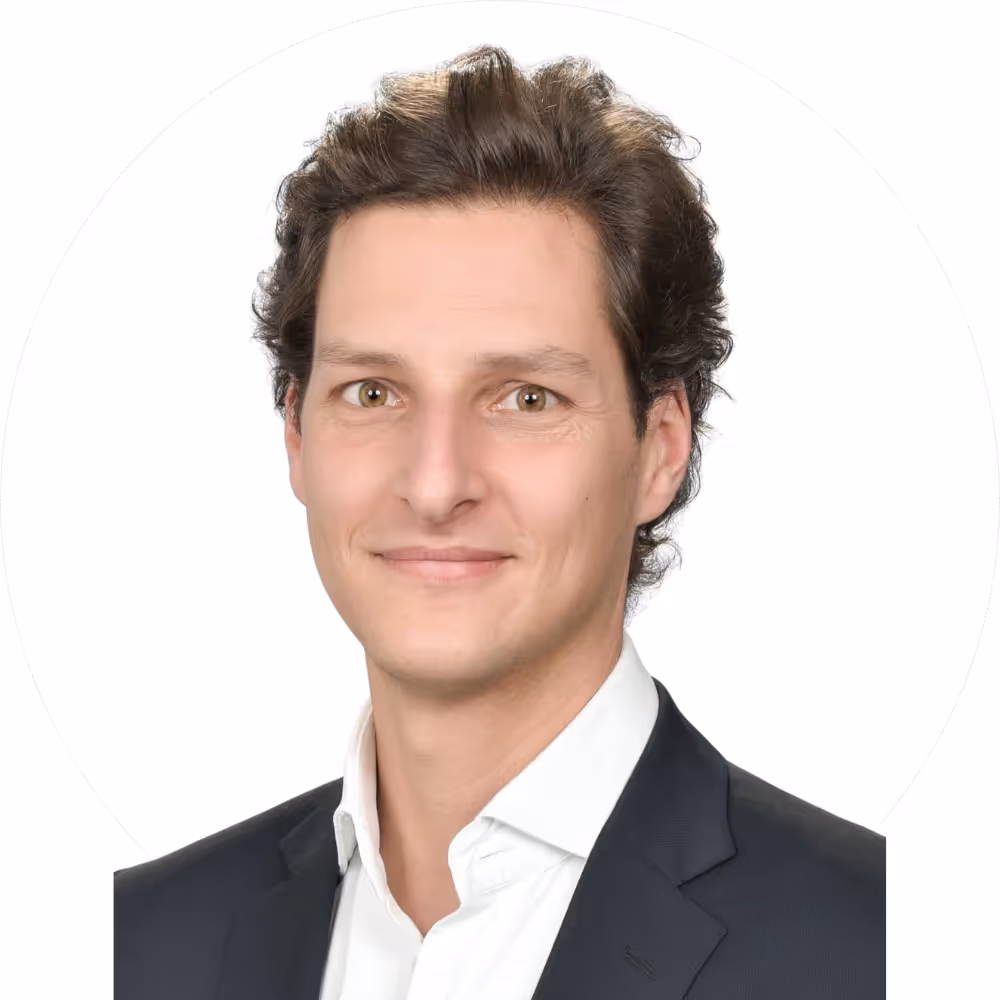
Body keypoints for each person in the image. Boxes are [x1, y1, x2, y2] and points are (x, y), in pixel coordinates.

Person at [113, 43, 884, 1000]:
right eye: (372, 391)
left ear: (660, 447)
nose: (435, 486)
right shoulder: (127, 949)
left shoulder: (886, 950)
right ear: (296, 435)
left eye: (526, 398)